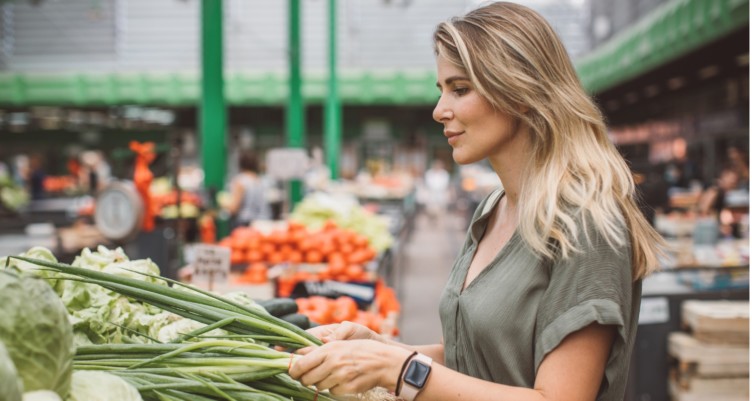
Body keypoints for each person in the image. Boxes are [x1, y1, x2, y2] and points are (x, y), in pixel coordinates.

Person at [288, 3, 666, 401]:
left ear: (519, 93)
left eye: (460, 89)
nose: (439, 110)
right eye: (442, 90)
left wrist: (398, 371)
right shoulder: (494, 208)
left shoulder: (585, 224)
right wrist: (380, 349)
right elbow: (476, 366)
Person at [226, 151, 271, 228]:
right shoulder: (260, 181)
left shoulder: (240, 181)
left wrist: (224, 206)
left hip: (244, 223)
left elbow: (234, 208)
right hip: (262, 222)